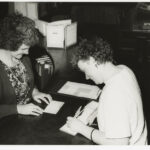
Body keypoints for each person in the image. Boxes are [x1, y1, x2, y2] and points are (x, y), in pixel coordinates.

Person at [66, 37, 147, 145]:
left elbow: (120, 144)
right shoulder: (124, 70)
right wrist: (99, 111)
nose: (86, 77)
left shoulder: (113, 94)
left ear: (93, 61)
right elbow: (124, 106)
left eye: (85, 70)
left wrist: (81, 128)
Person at [0, 12, 52, 119]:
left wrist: (35, 92)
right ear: (9, 44)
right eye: (23, 49)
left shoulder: (23, 59)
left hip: (25, 118)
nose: (27, 53)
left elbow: (27, 83)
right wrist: (18, 109)